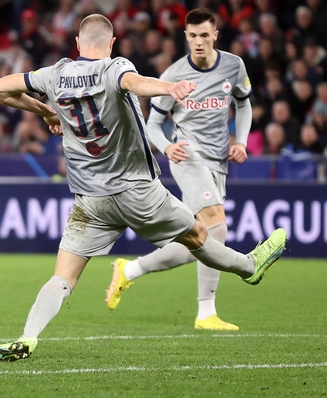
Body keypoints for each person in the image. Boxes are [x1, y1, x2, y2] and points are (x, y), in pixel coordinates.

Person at [0, 14, 286, 362]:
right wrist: (169, 88)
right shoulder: (114, 67)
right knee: (200, 235)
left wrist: (46, 111)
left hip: (90, 201)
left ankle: (27, 337)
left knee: (62, 278)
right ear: (111, 44)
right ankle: (249, 266)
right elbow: (135, 82)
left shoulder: (54, 73)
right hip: (136, 190)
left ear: (78, 44)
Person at [104, 8, 254, 331]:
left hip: (218, 162)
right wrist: (167, 146)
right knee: (217, 226)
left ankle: (128, 271)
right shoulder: (173, 75)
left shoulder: (233, 66)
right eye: (192, 36)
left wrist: (240, 141)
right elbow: (153, 124)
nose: (198, 42)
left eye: (204, 35)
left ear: (215, 35)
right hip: (186, 156)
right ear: (185, 37)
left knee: (197, 242)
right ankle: (206, 313)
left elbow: (243, 102)